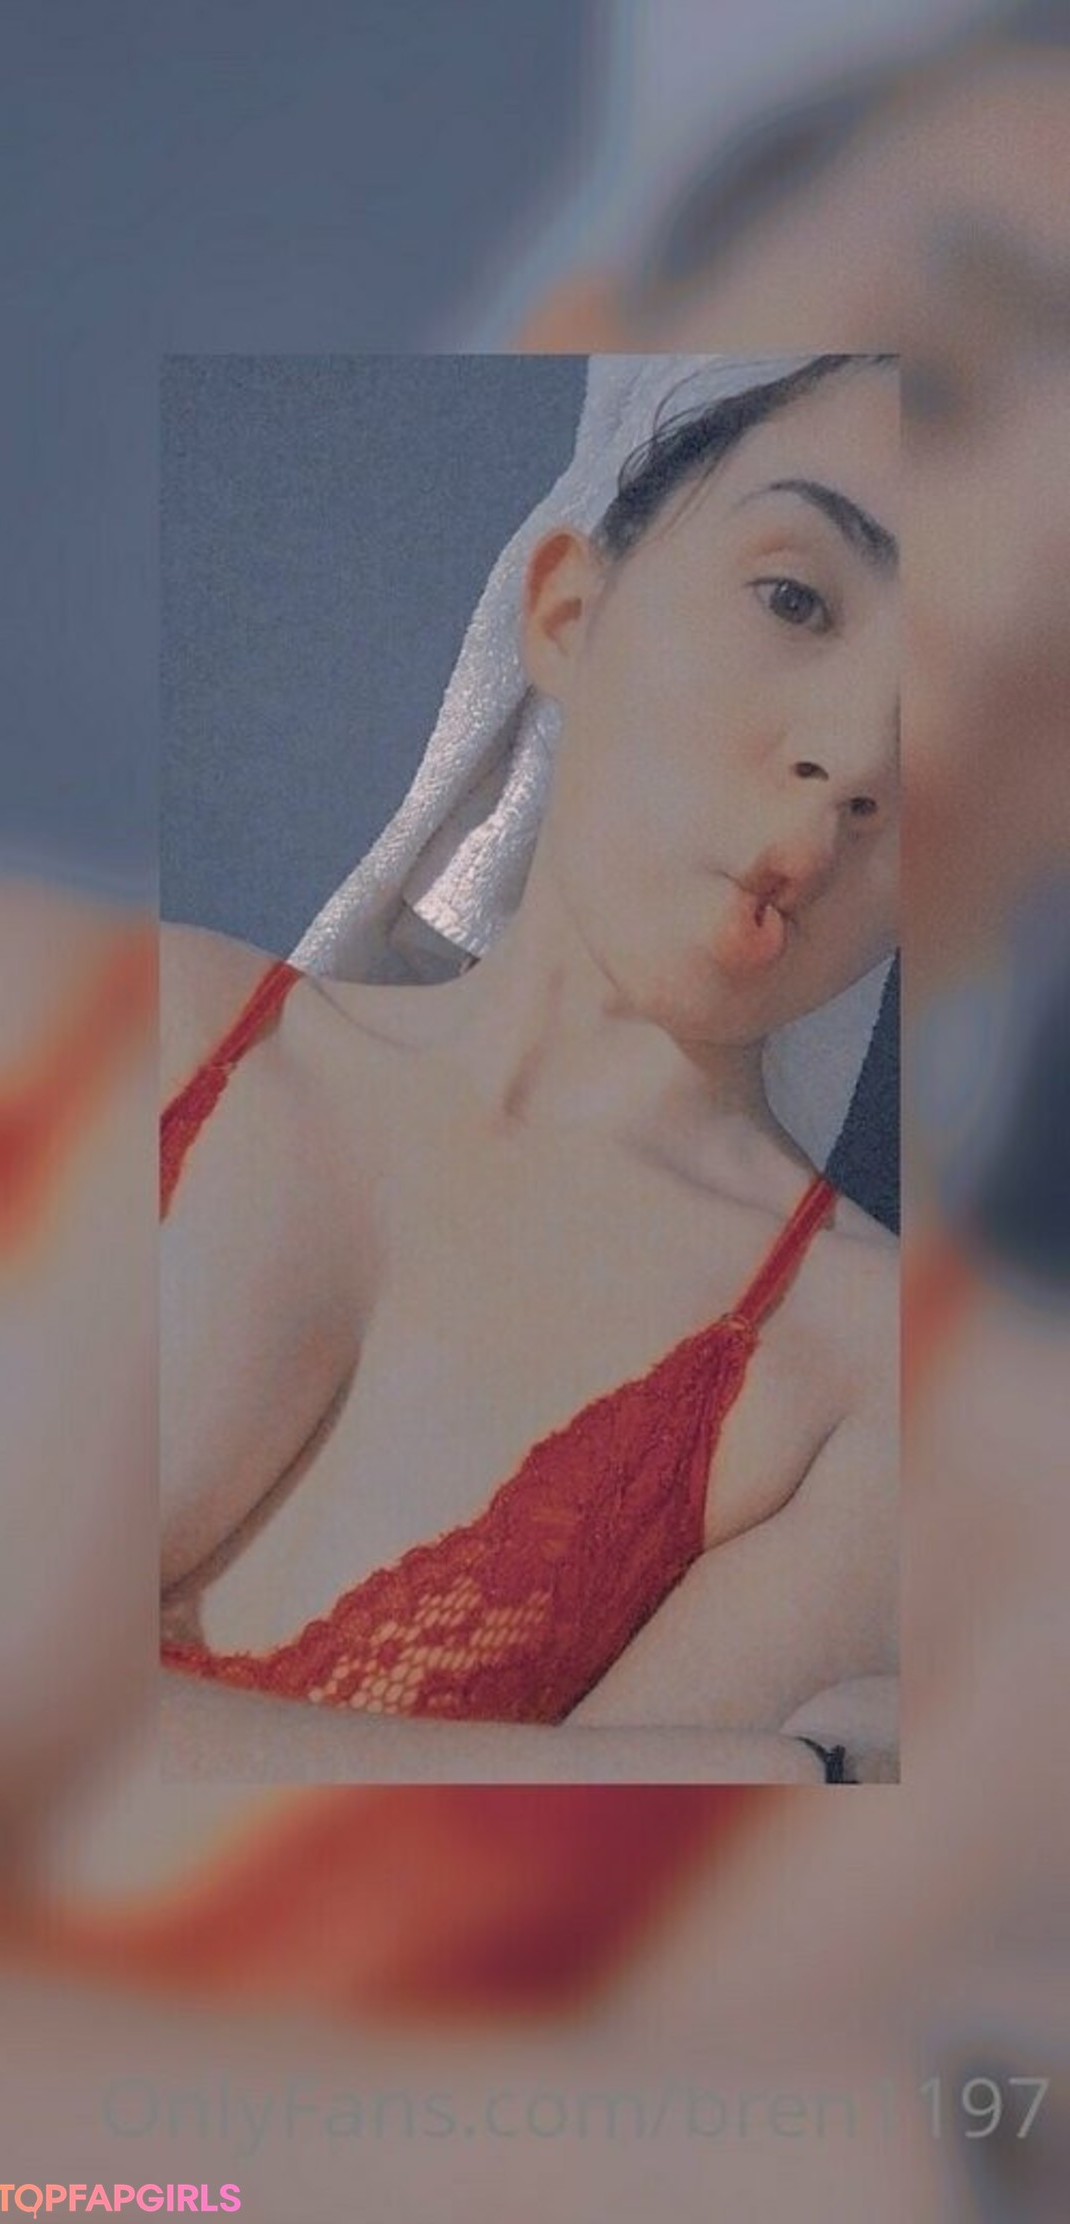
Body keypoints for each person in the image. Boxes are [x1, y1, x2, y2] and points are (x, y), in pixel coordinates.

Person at [158, 349, 899, 1781]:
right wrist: (755, 1775)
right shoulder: (167, 1028)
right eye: (797, 599)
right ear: (568, 609)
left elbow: (527, 1916)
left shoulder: (872, 1384)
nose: (858, 754)